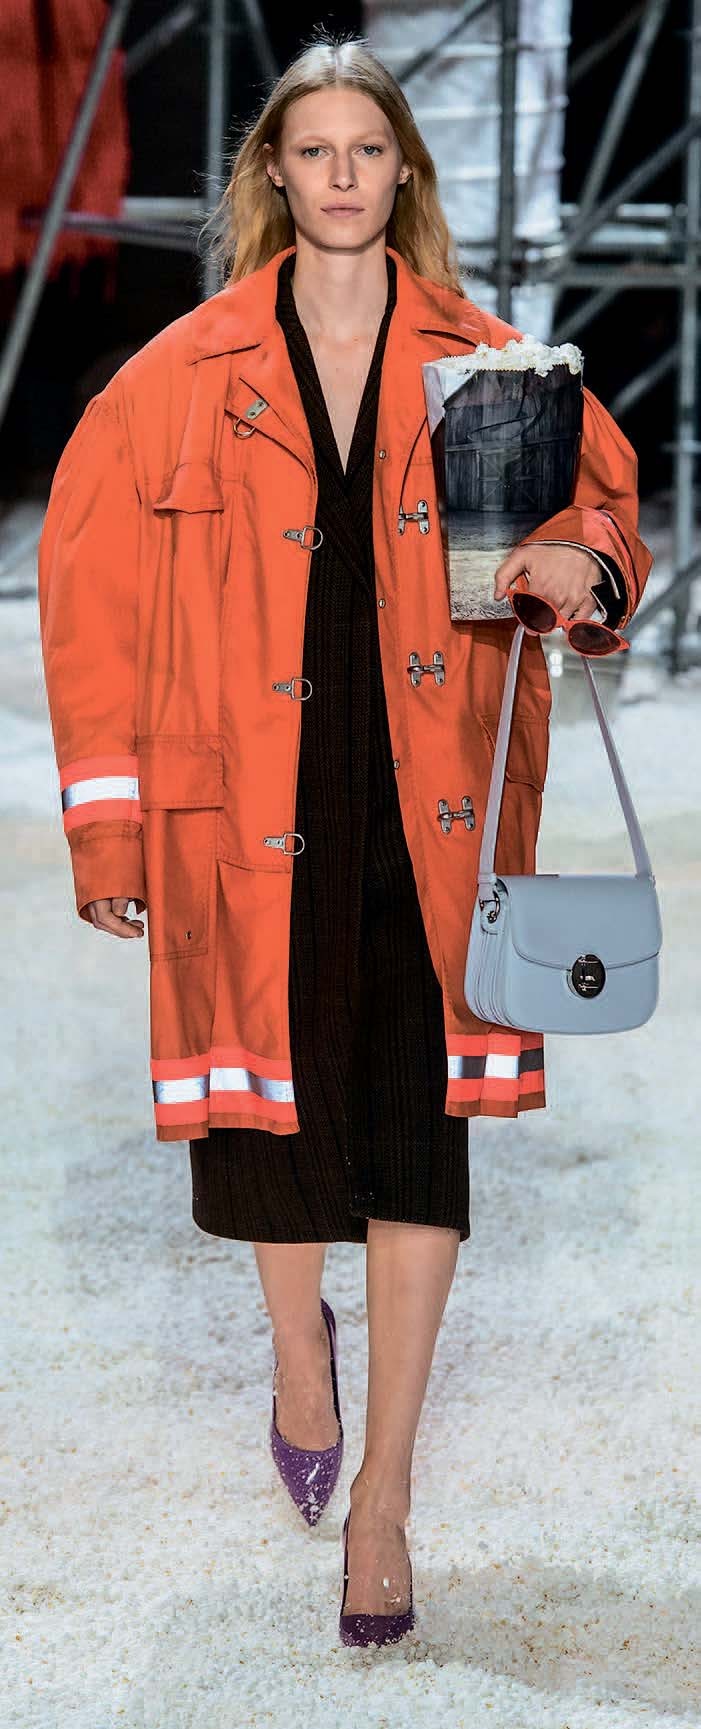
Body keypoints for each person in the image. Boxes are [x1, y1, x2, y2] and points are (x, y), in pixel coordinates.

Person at [38, 34, 652, 1647]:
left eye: (366, 151)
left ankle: (384, 1495)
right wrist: (110, 827)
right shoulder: (173, 375)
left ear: (400, 172)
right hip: (243, 802)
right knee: (269, 1120)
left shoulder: (489, 363)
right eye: (311, 150)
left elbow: (601, 506)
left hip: (427, 794)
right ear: (275, 172)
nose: (340, 176)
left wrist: (582, 564)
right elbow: (90, 606)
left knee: (414, 1124)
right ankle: (297, 1349)